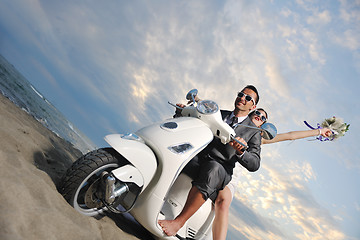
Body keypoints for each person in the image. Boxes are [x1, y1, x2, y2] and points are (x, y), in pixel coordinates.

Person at [212, 108, 332, 240]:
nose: (259, 117)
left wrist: (319, 131)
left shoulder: (258, 139)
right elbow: (212, 113)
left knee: (223, 202)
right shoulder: (230, 120)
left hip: (230, 176)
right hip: (213, 160)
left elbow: (290, 135)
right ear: (251, 113)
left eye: (263, 118)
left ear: (263, 125)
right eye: (257, 113)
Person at [158, 85, 262, 236]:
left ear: (253, 106)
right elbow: (196, 122)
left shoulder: (253, 132)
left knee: (212, 170)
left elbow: (255, 163)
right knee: (173, 151)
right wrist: (181, 113)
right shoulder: (220, 114)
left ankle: (178, 222)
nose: (242, 98)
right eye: (241, 94)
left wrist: (242, 151)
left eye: (248, 98)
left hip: (221, 167)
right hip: (199, 156)